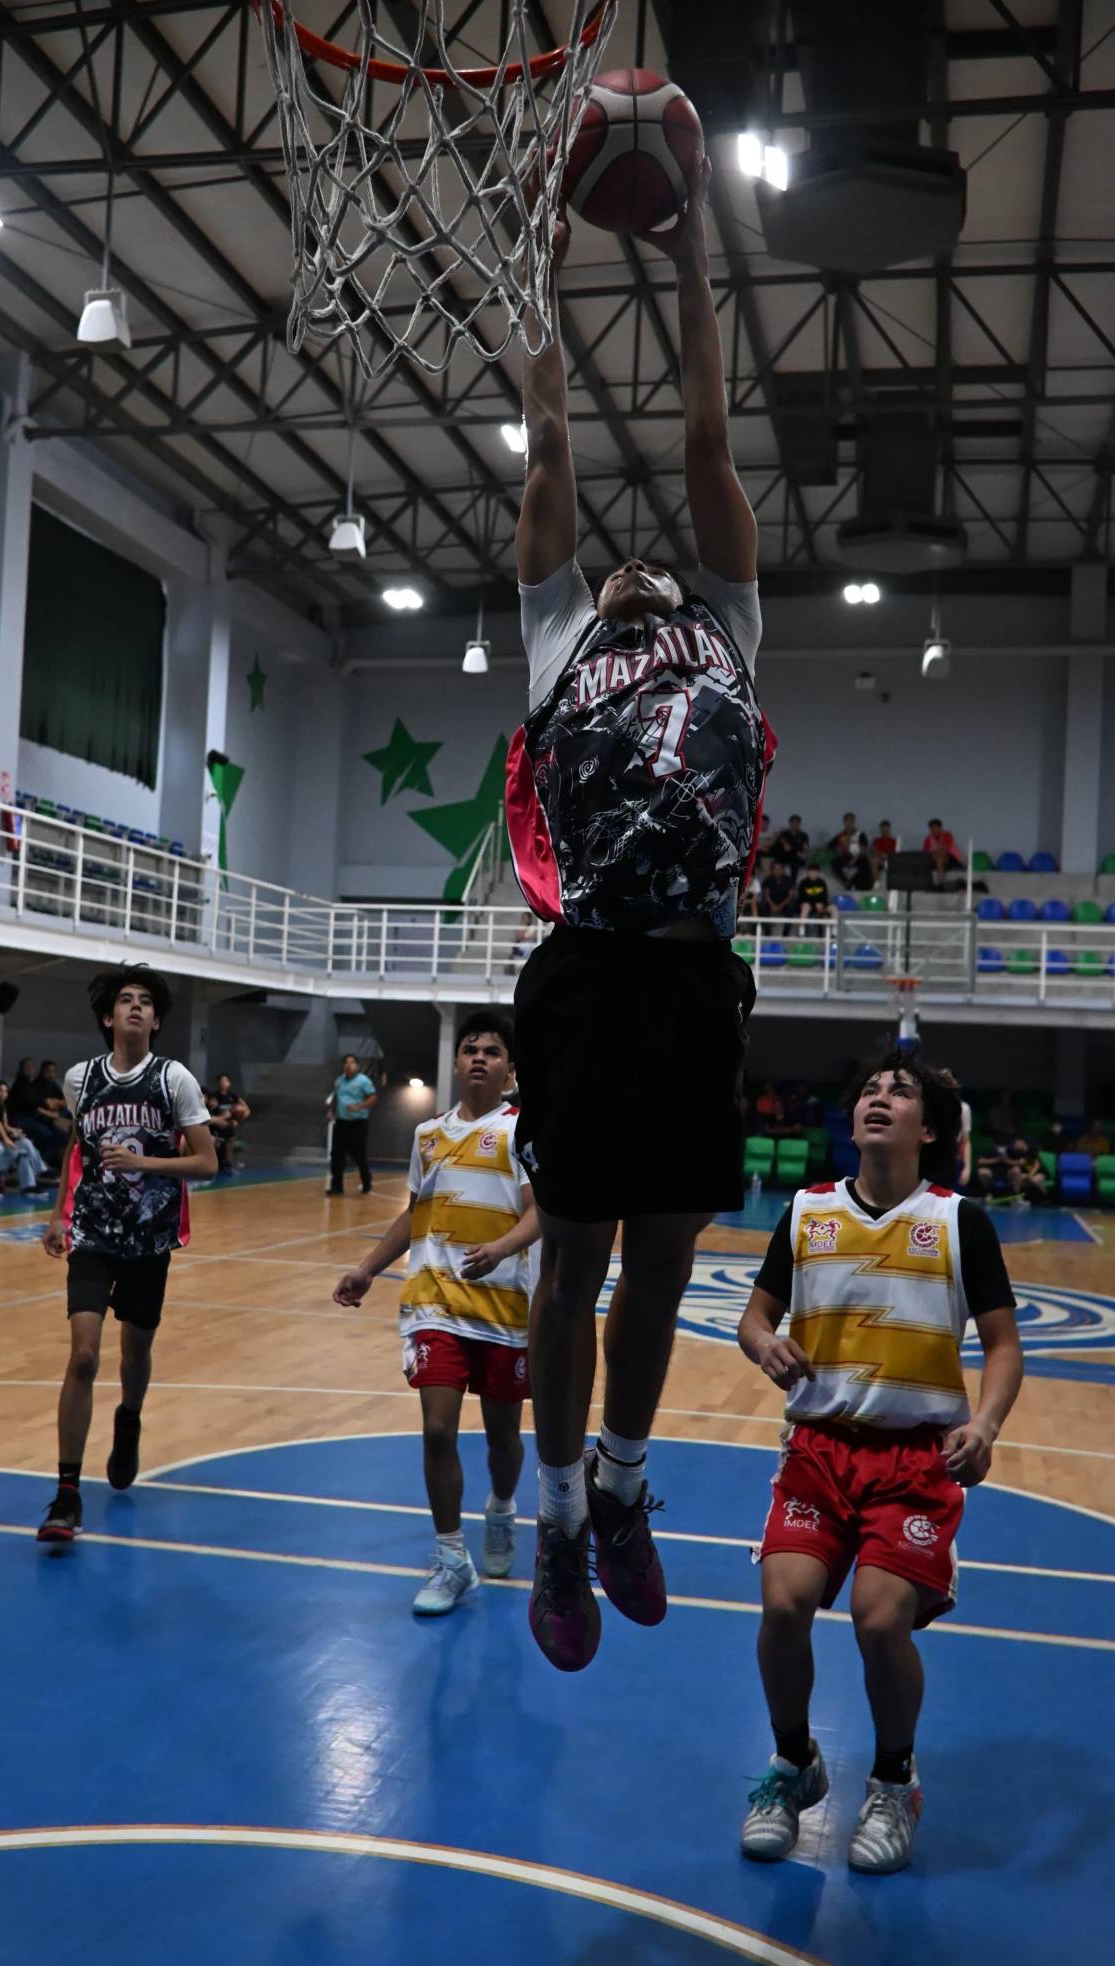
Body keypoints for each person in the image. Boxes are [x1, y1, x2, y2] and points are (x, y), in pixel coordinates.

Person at [506, 154, 769, 1673]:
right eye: (621, 555)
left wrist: (683, 261)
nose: (642, 555)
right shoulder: (557, 633)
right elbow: (550, 438)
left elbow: (707, 435)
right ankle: (550, 1510)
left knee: (665, 1261)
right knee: (577, 1261)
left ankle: (618, 1487)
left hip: (694, 980)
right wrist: (548, 247)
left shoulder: (728, 623)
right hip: (589, 974)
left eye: (664, 553)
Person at [735, 1054, 1022, 1873]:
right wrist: (765, 1345)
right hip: (818, 1452)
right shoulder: (805, 1211)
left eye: (898, 1094)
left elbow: (1002, 1345)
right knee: (784, 1605)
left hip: (912, 1461)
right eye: (868, 1089)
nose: (877, 1099)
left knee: (878, 1618)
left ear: (927, 1129)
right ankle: (794, 1763)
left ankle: (894, 1781)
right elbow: (753, 1318)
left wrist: (987, 1423)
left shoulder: (958, 1221)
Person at [333, 1013, 542, 1614]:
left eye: (492, 1051)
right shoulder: (428, 1135)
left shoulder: (522, 1129)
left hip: (503, 1307)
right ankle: (452, 1557)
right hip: (435, 1302)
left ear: (511, 1069)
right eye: (471, 1048)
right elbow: (414, 1213)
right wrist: (368, 1267)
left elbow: (541, 1212)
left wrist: (503, 1248)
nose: (479, 1057)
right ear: (458, 1062)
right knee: (436, 1428)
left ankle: (500, 1509)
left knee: (503, 1436)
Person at [36, 965, 216, 1543]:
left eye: (145, 1002)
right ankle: (66, 1494)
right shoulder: (80, 1079)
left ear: (156, 1020)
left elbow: (208, 1162)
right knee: (84, 1357)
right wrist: (57, 1213)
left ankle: (129, 1418)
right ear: (109, 1017)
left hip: (148, 1239)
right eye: (124, 1001)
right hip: (92, 1236)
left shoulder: (173, 1080)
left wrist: (147, 1163)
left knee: (134, 1355)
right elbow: (75, 1147)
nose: (134, 1008)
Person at [328, 1053, 377, 1197]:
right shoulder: (339, 1081)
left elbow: (373, 1098)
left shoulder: (364, 1081)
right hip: (341, 1123)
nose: (349, 1065)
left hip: (358, 1124)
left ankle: (366, 1182)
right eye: (346, 1063)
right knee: (336, 1155)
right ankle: (336, 1186)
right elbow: (335, 1097)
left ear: (357, 1065)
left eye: (352, 1063)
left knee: (358, 1155)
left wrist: (359, 1106)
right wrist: (331, 1110)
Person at [205, 1073, 251, 1175]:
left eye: (226, 1080)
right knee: (218, 1145)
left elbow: (246, 1109)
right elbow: (210, 1111)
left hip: (229, 1125)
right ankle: (214, 1165)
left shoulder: (232, 1096)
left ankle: (227, 1165)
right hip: (216, 1125)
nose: (224, 1083)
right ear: (218, 1083)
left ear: (229, 1083)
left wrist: (239, 1120)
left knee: (229, 1142)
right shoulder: (214, 1096)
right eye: (222, 1081)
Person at [922, 818, 964, 884]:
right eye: (932, 829)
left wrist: (934, 852)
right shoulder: (928, 840)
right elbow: (925, 853)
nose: (934, 830)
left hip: (953, 859)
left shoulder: (947, 835)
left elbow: (944, 849)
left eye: (935, 828)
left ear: (940, 828)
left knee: (940, 859)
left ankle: (941, 883)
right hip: (935, 859)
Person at [759, 858, 795, 930]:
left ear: (783, 870)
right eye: (775, 868)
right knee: (763, 909)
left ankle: (785, 935)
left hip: (784, 904)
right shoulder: (769, 879)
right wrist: (773, 905)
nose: (777, 870)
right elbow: (766, 895)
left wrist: (780, 906)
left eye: (779, 869)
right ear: (772, 870)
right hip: (771, 903)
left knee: (791, 909)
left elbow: (790, 895)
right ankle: (767, 933)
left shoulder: (788, 880)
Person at [771, 814, 809, 881]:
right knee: (777, 864)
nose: (795, 825)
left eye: (797, 823)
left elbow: (804, 848)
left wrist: (791, 847)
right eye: (793, 823)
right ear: (790, 823)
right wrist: (789, 846)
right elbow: (778, 846)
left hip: (796, 857)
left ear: (800, 824)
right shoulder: (784, 833)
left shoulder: (803, 835)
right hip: (783, 856)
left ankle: (792, 885)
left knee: (795, 865)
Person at [796, 861, 831, 932]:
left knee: (834, 909)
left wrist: (822, 904)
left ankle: (834, 932)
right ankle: (801, 931)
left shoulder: (822, 882)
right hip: (807, 905)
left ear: (818, 873)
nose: (813, 874)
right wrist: (815, 904)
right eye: (811, 872)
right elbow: (802, 897)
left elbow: (825, 896)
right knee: (806, 907)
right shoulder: (803, 883)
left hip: (820, 905)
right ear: (808, 872)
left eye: (815, 872)